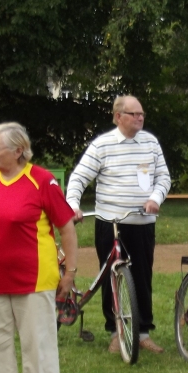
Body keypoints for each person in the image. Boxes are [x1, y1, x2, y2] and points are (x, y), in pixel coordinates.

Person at [0, 122, 77, 373]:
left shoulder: (41, 180)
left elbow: (66, 228)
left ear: (18, 150)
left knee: (38, 342)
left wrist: (70, 270)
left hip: (34, 279)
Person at [65, 95, 171, 355]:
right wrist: (73, 205)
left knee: (143, 277)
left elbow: (163, 177)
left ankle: (143, 332)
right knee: (110, 275)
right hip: (110, 223)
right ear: (118, 117)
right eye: (134, 114)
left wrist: (155, 198)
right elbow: (78, 178)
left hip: (142, 222)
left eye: (142, 113)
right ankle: (116, 332)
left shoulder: (151, 143)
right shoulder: (102, 145)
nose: (140, 118)